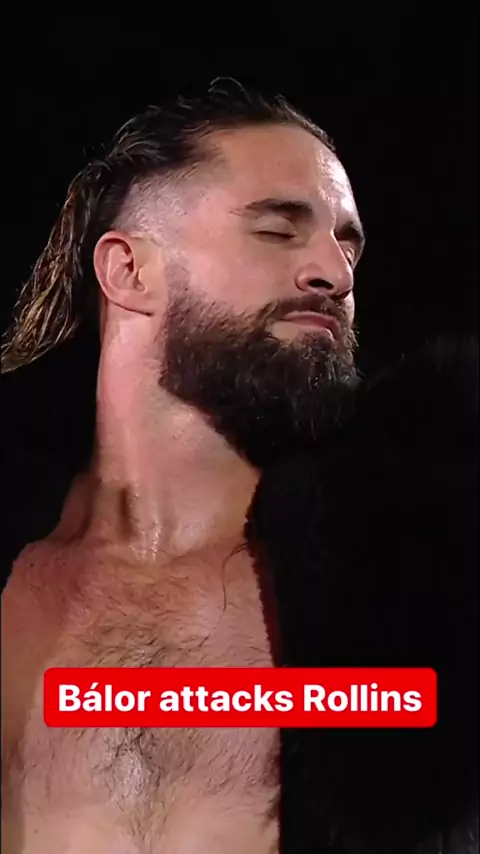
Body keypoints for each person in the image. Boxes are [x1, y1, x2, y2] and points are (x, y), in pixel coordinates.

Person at [1, 80, 365, 854]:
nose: (335, 274)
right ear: (130, 271)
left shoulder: (402, 586)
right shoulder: (18, 582)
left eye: (348, 244)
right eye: (278, 230)